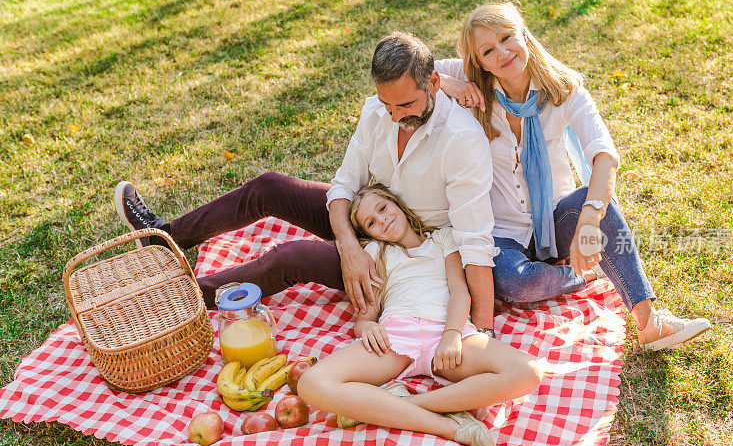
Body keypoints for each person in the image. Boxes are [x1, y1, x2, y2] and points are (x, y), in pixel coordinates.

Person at [114, 32, 497, 332]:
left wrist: (482, 330)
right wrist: (348, 246)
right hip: (368, 212)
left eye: (406, 107)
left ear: (433, 82)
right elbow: (344, 186)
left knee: (289, 257)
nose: (395, 117)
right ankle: (162, 237)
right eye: (388, 106)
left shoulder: (462, 141)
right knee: (270, 186)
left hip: (405, 248)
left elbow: (474, 241)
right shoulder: (378, 111)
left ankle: (177, 299)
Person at [434, 1, 711, 351]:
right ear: (479, 62)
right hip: (500, 231)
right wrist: (446, 82)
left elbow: (605, 157)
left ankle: (648, 321)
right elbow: (408, 66)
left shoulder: (565, 90)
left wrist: (590, 221)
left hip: (555, 218)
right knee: (511, 283)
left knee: (594, 201)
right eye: (489, 50)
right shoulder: (472, 83)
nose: (503, 52)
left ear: (523, 32)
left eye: (507, 37)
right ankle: (582, 276)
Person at [298, 184, 542, 446]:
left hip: (452, 333)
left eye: (383, 208)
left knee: (528, 371)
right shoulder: (376, 253)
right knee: (311, 383)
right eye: (371, 223)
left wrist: (451, 335)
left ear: (396, 203)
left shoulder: (442, 239)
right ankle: (449, 427)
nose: (383, 220)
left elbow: (460, 292)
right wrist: (367, 326)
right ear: (368, 234)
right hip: (397, 337)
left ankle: (403, 404)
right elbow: (365, 316)